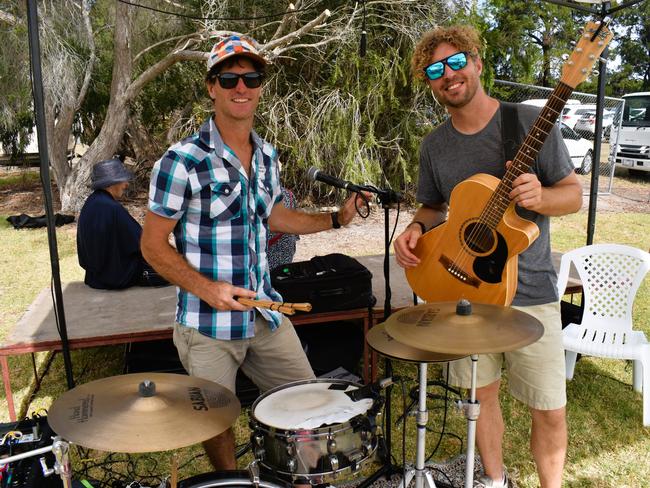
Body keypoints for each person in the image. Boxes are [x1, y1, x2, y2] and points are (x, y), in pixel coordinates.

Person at [140, 34, 367, 470]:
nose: (241, 87)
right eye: (229, 78)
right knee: (217, 422)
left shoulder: (266, 155)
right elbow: (151, 246)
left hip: (265, 314)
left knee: (309, 404)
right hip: (207, 324)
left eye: (251, 77)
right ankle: (229, 480)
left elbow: (276, 216)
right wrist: (206, 289)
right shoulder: (181, 160)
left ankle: (299, 475)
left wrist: (337, 219)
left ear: (262, 85)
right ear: (211, 86)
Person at [394, 25, 582, 488]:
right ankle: (495, 480)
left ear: (477, 63)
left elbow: (573, 194)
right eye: (435, 70)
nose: (448, 75)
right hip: (463, 294)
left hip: (531, 290)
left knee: (550, 409)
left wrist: (541, 197)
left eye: (456, 61)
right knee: (479, 400)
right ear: (430, 83)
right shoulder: (434, 145)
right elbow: (433, 203)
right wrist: (416, 227)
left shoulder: (529, 123)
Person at [77, 158, 167, 289]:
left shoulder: (92, 202)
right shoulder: (112, 208)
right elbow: (143, 242)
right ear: (110, 184)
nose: (126, 184)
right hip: (117, 276)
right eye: (122, 180)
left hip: (95, 277)